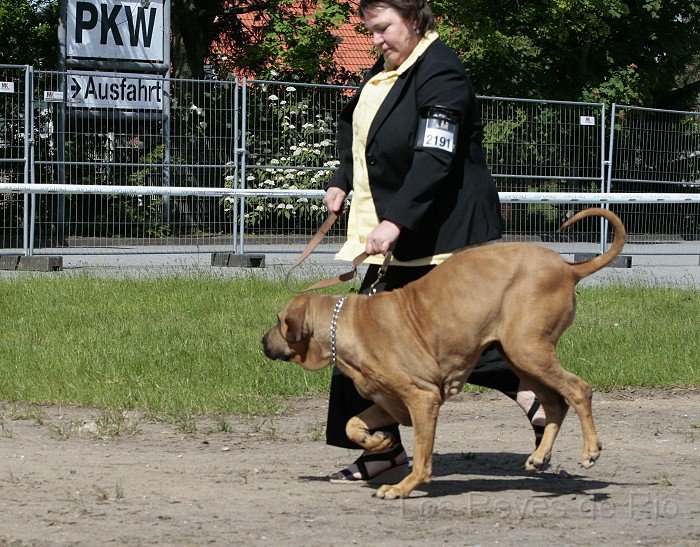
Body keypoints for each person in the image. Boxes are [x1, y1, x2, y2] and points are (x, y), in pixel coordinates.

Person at [322, 0, 546, 483]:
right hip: (405, 232)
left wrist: (395, 221)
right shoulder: (382, 73)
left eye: (383, 29)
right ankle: (531, 395)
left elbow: (433, 158)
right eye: (369, 31)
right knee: (375, 339)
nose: (376, 40)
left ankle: (533, 393)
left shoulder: (441, 73)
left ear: (415, 20)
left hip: (446, 232)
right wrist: (343, 178)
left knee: (366, 337)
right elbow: (357, 130)